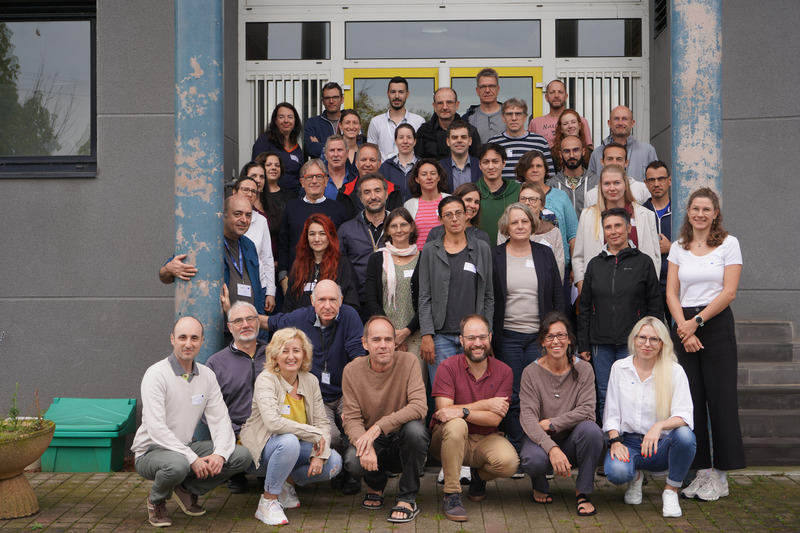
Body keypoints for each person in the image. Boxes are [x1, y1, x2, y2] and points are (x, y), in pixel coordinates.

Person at [131, 317, 252, 528]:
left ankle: (186, 489)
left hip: (185, 447)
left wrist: (220, 453)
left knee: (241, 456)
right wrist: (191, 458)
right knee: (177, 465)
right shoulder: (156, 374)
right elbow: (156, 428)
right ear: (172, 339)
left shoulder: (207, 375)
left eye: (194, 338)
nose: (188, 344)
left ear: (202, 341)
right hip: (151, 451)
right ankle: (156, 500)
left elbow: (221, 419)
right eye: (183, 337)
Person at [666, 187, 745, 501]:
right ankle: (701, 472)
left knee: (721, 401)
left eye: (706, 209)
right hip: (684, 328)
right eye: (695, 209)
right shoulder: (678, 247)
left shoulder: (729, 244)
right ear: (688, 212)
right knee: (691, 403)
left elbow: (729, 292)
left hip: (715, 324)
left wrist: (696, 323)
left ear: (715, 214)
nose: (700, 214)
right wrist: (684, 330)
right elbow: (671, 293)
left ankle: (721, 476)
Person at [254, 280, 366, 496]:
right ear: (313, 301)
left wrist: (354, 401)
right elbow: (272, 322)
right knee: (331, 436)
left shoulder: (350, 315)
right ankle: (335, 467)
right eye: (321, 299)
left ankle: (353, 471)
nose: (327, 305)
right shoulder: (300, 317)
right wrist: (239, 315)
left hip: (346, 392)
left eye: (333, 300)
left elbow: (358, 357)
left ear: (341, 301)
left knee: (355, 426)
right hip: (318, 397)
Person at [240, 328, 343, 526]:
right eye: (284, 350)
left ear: (304, 354)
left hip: (295, 448)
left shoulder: (310, 380)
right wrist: (314, 434)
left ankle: (287, 485)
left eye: (296, 350)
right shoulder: (266, 379)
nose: (291, 356)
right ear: (274, 355)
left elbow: (323, 422)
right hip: (261, 451)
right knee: (289, 441)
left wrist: (319, 455)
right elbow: (273, 422)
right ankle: (267, 501)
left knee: (334, 462)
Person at [492, 203, 565, 456]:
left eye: (525, 221)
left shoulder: (544, 254)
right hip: (508, 337)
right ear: (506, 227)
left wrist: (557, 332)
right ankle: (515, 448)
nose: (520, 226)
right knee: (512, 395)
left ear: (532, 224)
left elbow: (558, 292)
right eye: (515, 222)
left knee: (538, 395)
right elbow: (490, 298)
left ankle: (536, 449)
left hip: (539, 338)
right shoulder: (495, 255)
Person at [604, 317, 696, 518]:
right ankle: (635, 477)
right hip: (628, 444)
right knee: (616, 472)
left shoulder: (674, 371)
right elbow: (611, 413)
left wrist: (659, 426)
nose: (647, 344)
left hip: (660, 446)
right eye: (642, 338)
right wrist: (615, 442)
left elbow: (685, 415)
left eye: (654, 339)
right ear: (634, 339)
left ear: (662, 343)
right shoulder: (619, 368)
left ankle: (670, 490)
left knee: (685, 436)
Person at [429, 314, 518, 522]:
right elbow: (444, 412)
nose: (477, 343)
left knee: (509, 463)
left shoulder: (504, 371)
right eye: (471, 338)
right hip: (446, 439)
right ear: (461, 340)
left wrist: (461, 410)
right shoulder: (447, 367)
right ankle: (452, 494)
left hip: (485, 438)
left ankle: (478, 477)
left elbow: (495, 420)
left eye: (482, 337)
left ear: (490, 337)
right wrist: (485, 405)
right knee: (456, 424)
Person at [577, 207, 663, 420]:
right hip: (600, 345)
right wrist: (584, 344)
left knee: (636, 395)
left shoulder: (643, 262)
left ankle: (637, 443)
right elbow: (585, 307)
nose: (613, 231)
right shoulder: (595, 265)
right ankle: (611, 445)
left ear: (628, 228)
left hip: (634, 344)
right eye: (608, 227)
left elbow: (655, 305)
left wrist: (656, 341)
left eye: (618, 226)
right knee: (606, 395)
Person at [342, 316, 429, 524]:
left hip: (401, 438)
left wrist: (378, 427)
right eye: (376, 340)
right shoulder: (351, 371)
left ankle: (407, 498)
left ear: (395, 342)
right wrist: (365, 440)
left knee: (416, 431)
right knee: (354, 460)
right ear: (365, 343)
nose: (383, 346)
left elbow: (419, 406)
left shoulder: (409, 362)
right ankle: (376, 485)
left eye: (388, 340)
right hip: (375, 441)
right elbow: (351, 419)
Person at [518, 312, 603, 516]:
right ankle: (539, 484)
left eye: (561, 335)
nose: (556, 341)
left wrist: (553, 423)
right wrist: (551, 448)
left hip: (573, 440)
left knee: (592, 432)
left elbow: (587, 411)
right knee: (532, 460)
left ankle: (582, 491)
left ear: (569, 339)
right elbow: (528, 419)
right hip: (540, 440)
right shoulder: (530, 372)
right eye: (549, 336)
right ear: (542, 341)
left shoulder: (584, 370)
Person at [418, 196, 494, 385]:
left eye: (458, 213)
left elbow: (488, 296)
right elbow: (424, 296)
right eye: (448, 215)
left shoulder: (482, 248)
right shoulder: (429, 250)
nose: (454, 219)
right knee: (443, 392)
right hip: (440, 335)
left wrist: (487, 333)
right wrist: (427, 334)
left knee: (473, 390)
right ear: (440, 219)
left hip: (473, 337)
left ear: (466, 215)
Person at [205, 301, 268, 494]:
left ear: (258, 323)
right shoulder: (216, 363)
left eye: (250, 319)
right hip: (233, 432)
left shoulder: (274, 355)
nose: (246, 324)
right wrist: (231, 430)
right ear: (229, 327)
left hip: (268, 428)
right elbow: (205, 407)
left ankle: (266, 476)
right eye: (238, 320)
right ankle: (236, 474)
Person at [572, 164, 660, 292]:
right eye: (607, 184)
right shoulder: (588, 216)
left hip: (637, 290)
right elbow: (579, 257)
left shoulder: (645, 215)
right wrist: (583, 287)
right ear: (601, 187)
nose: (612, 188)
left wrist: (649, 289)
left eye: (617, 183)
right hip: (599, 291)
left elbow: (655, 258)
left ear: (625, 185)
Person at [276, 159, 346, 293]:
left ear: (326, 181)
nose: (314, 181)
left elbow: (342, 246)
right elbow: (283, 245)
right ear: (302, 182)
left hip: (331, 278)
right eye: (309, 177)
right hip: (296, 280)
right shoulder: (291, 208)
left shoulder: (338, 209)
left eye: (319, 177)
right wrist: (283, 277)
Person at [514, 150, 576, 276]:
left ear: (545, 170)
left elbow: (572, 233)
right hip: (523, 269)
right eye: (530, 166)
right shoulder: (516, 196)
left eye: (539, 166)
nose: (535, 170)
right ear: (523, 170)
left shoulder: (561, 196)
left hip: (558, 266)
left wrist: (575, 267)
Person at [283, 214, 360, 313]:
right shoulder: (299, 265)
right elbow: (288, 306)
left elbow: (351, 305)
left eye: (322, 233)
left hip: (333, 326)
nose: (317, 239)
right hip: (301, 326)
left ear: (330, 236)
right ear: (306, 237)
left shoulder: (343, 265)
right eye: (312, 234)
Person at [338, 172, 391, 309]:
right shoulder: (346, 230)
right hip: (358, 304)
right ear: (361, 199)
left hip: (393, 303)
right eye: (367, 192)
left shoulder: (399, 226)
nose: (373, 197)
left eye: (377, 191)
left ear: (386, 194)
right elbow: (338, 267)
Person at [504, 183, 566, 281]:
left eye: (532, 199)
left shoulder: (553, 232)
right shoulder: (506, 231)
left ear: (542, 205)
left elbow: (558, 269)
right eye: (523, 199)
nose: (527, 203)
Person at [232, 175, 276, 313]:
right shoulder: (224, 219)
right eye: (245, 190)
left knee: (258, 330)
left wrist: (270, 291)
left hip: (258, 286)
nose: (250, 194)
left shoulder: (261, 220)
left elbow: (267, 257)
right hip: (232, 285)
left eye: (254, 191)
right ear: (234, 192)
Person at [487, 98, 554, 179]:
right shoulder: (494, 143)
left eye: (518, 114)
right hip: (503, 191)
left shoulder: (540, 142)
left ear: (525, 117)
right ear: (503, 117)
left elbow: (550, 175)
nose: (514, 118)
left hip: (533, 191)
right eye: (509, 114)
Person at [587, 105, 657, 182]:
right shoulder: (597, 153)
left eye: (624, 119)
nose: (620, 123)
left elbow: (655, 181)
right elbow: (591, 185)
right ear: (609, 123)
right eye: (616, 119)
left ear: (632, 123)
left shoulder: (647, 151)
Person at [642, 160, 673, 323]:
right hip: (648, 286)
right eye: (651, 180)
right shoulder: (639, 213)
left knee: (678, 336)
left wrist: (672, 247)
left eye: (661, 179)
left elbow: (695, 243)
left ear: (669, 180)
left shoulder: (681, 211)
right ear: (645, 184)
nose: (656, 184)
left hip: (675, 284)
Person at [367, 76, 425, 161]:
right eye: (393, 92)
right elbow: (371, 153)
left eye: (401, 92)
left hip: (411, 172)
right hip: (383, 173)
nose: (396, 96)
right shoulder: (376, 122)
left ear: (407, 94)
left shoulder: (418, 121)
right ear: (388, 94)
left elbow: (421, 152)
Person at [251, 102, 304, 194]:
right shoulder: (265, 140)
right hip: (271, 196)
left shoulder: (297, 148)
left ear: (295, 121)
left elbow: (300, 175)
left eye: (290, 117)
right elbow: (255, 168)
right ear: (275, 121)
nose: (286, 120)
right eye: (281, 117)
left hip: (294, 196)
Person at [475, 143, 521, 246]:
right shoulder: (472, 193)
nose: (491, 167)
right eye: (486, 162)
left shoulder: (518, 191)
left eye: (495, 161)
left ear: (503, 163)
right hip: (480, 254)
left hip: (512, 253)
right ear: (480, 165)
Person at [416, 87, 481, 159]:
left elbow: (476, 162)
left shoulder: (470, 131)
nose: (445, 107)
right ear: (434, 106)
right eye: (440, 103)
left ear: (457, 105)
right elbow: (419, 162)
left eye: (449, 102)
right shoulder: (424, 131)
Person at [403, 158, 450, 250]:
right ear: (417, 179)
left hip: (447, 256)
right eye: (424, 174)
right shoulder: (409, 205)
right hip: (419, 257)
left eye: (433, 173)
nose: (429, 177)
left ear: (439, 177)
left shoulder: (449, 200)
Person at [548, 135, 599, 219]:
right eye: (567, 151)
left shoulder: (596, 182)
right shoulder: (552, 185)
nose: (572, 155)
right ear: (560, 154)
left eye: (575, 150)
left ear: (583, 152)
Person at [528, 80, 592, 147]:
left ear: (566, 97)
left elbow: (589, 150)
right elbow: (529, 149)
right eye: (552, 92)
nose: (556, 95)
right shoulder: (535, 123)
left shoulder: (581, 121)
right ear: (546, 97)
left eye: (560, 92)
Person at [584, 142, 650, 206]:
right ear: (602, 162)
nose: (614, 163)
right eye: (610, 159)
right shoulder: (591, 195)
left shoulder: (642, 189)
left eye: (619, 159)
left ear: (626, 162)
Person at [426, 182, 491, 247]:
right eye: (468, 200)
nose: (473, 205)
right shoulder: (436, 232)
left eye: (476, 202)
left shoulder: (481, 236)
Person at [462, 68, 505, 142]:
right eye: (483, 87)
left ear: (498, 89)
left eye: (491, 86)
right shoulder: (468, 118)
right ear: (477, 91)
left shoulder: (509, 114)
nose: (487, 90)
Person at [439, 119, 482, 193]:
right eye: (454, 137)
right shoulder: (439, 167)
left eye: (463, 137)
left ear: (470, 141)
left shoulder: (481, 166)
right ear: (448, 142)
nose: (459, 140)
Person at [378, 124, 418, 202]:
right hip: (392, 213)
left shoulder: (422, 166)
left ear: (414, 141)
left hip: (418, 213)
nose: (405, 141)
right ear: (395, 141)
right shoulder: (385, 168)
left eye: (409, 137)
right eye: (401, 137)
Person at [304, 81, 344, 159]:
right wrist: (342, 147)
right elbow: (310, 148)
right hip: (322, 170)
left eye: (335, 97)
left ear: (342, 99)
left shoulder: (350, 121)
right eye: (327, 98)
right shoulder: (313, 123)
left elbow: (356, 146)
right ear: (323, 101)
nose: (331, 101)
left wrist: (321, 145)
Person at [323, 135, 355, 200]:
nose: (336, 154)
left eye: (339, 150)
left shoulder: (356, 180)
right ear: (326, 155)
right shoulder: (317, 179)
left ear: (347, 153)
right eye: (332, 150)